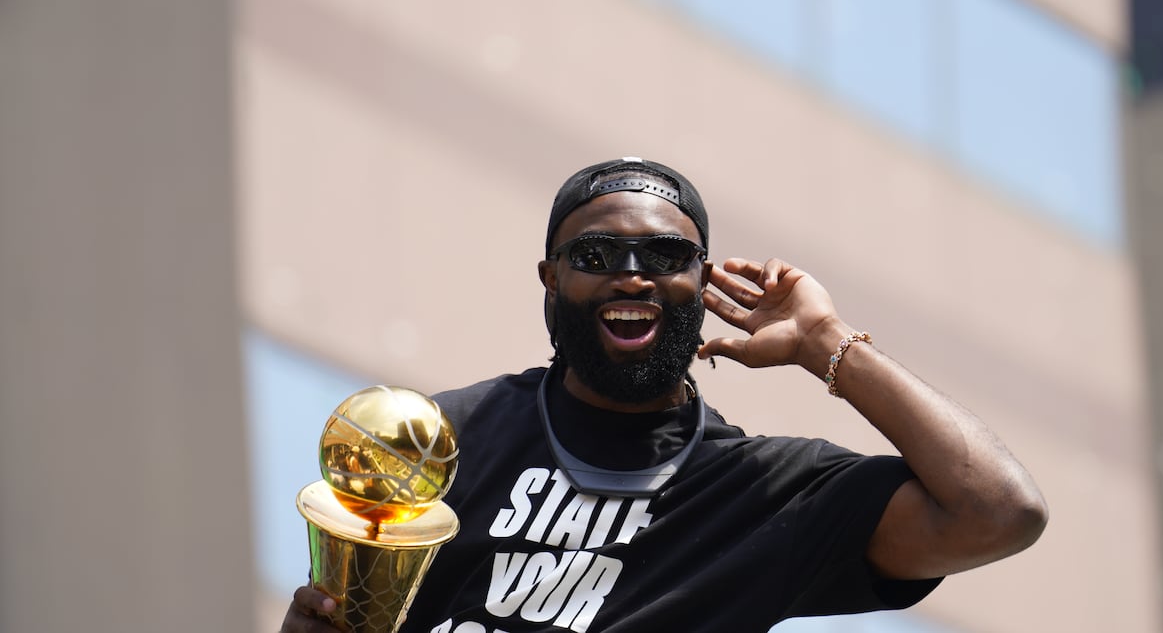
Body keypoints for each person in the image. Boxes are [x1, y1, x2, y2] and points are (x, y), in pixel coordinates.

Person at [283, 157, 1047, 633]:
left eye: (666, 254)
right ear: (550, 280)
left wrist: (829, 346)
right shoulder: (452, 436)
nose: (632, 273)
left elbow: (998, 512)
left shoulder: (765, 495)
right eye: (595, 254)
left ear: (704, 282)